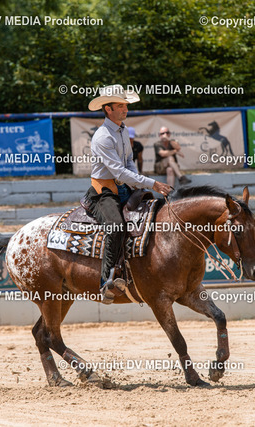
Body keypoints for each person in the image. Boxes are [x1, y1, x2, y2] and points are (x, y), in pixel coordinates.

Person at [86, 84, 172, 304]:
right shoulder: (103, 137)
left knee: (155, 214)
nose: (125, 109)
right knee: (115, 226)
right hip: (104, 192)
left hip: (124, 187)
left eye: (125, 105)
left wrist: (139, 183)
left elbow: (128, 163)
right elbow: (119, 171)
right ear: (108, 109)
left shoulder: (123, 130)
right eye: (120, 106)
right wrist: (152, 183)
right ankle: (106, 280)